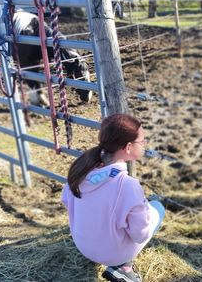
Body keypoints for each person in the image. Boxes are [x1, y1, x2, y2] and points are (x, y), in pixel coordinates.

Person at [61, 114, 165, 282]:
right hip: (112, 253)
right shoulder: (128, 186)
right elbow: (141, 234)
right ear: (128, 147)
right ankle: (124, 267)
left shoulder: (80, 170)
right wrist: (148, 208)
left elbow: (67, 201)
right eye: (142, 141)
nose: (145, 145)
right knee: (158, 207)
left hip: (83, 245)